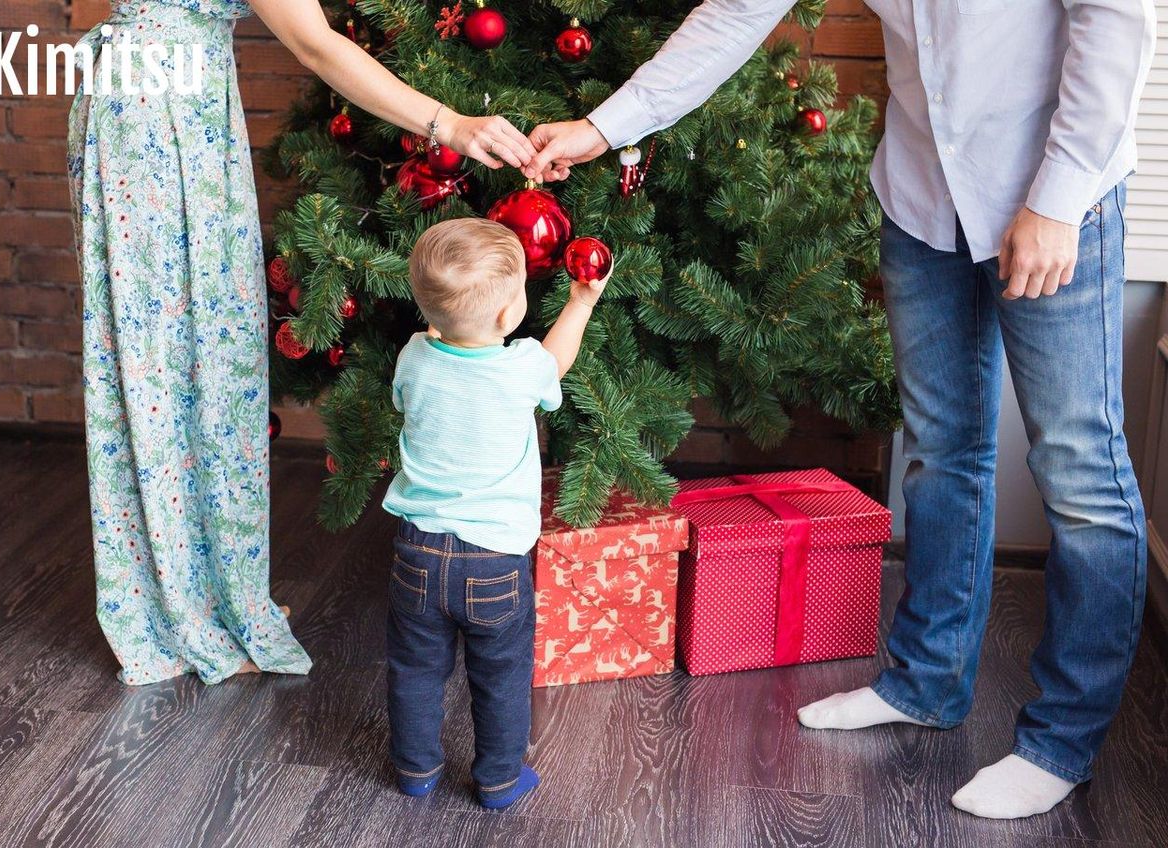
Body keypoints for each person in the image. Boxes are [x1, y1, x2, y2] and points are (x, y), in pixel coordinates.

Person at [524, 0, 1156, 820]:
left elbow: (1116, 21)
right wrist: (600, 128)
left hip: (1050, 198)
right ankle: (925, 682)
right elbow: (732, 15)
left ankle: (1061, 743)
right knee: (939, 451)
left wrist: (1062, 198)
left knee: (1080, 471)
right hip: (923, 198)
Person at [68, 0, 535, 686]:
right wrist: (451, 124)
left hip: (135, 97)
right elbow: (315, 46)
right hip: (160, 114)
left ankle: (188, 597)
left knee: (149, 351)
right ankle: (191, 605)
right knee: (186, 358)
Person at [381, 218, 608, 809]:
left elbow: (419, 374)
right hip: (494, 561)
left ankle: (415, 770)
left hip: (417, 551)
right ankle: (500, 779)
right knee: (501, 676)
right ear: (509, 317)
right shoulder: (520, 367)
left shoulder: (413, 356)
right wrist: (581, 300)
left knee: (414, 668)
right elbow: (557, 360)